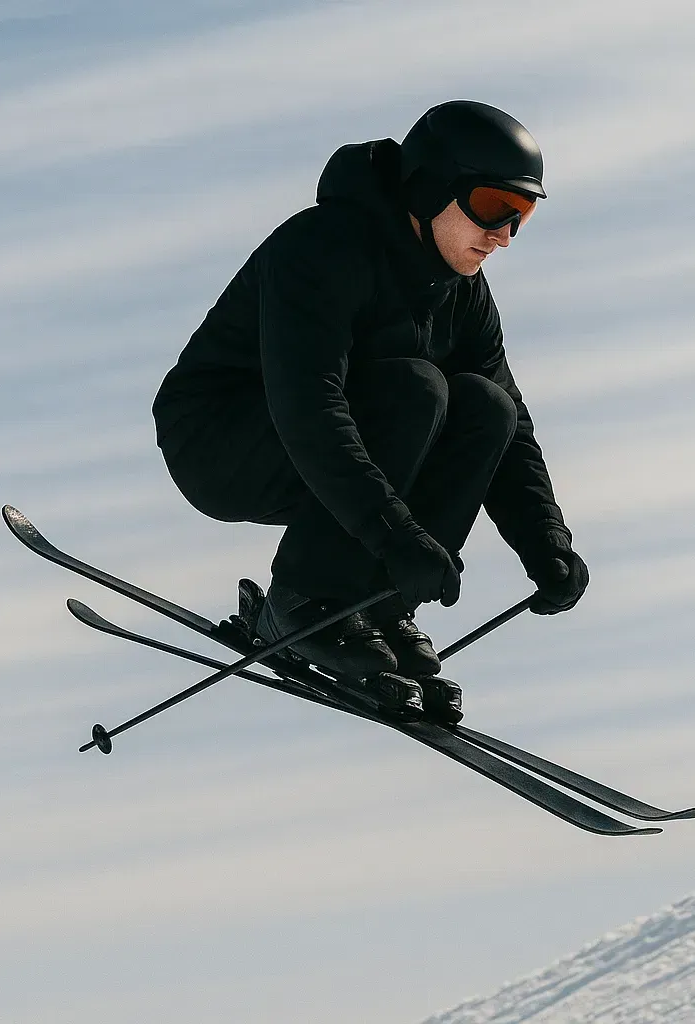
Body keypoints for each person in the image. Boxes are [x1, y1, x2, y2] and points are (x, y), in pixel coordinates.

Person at [151, 100, 589, 720]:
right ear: (433, 187)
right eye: (494, 206)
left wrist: (546, 545)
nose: (505, 234)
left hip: (331, 449)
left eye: (523, 216)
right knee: (417, 388)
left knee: (486, 407)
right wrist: (395, 534)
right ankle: (307, 601)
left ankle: (374, 609)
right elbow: (309, 407)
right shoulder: (322, 248)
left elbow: (511, 431)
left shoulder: (463, 295)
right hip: (223, 442)